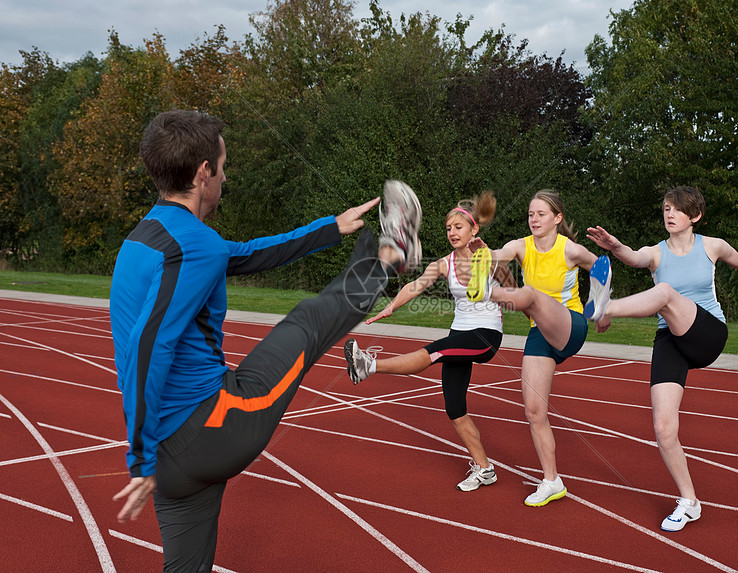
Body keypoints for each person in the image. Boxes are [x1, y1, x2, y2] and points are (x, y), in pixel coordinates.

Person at [109, 109, 422, 572]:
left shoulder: (144, 238)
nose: (225, 176)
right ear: (202, 174)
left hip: (172, 464)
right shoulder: (192, 247)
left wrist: (328, 229)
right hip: (212, 429)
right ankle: (390, 257)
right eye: (223, 165)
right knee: (307, 323)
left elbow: (245, 255)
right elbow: (147, 346)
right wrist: (138, 458)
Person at [584, 185, 738, 532]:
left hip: (708, 333)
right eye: (665, 209)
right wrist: (615, 247)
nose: (669, 214)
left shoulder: (711, 246)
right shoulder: (656, 253)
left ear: (695, 216)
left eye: (676, 209)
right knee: (663, 428)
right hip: (671, 338)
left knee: (664, 293)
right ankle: (689, 501)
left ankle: (605, 307)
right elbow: (633, 256)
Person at [344, 191, 515, 492]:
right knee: (454, 408)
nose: (451, 233)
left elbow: (513, 290)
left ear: (474, 229)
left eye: (458, 227)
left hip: (485, 336)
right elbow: (415, 285)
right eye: (448, 228)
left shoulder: (489, 256)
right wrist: (391, 307)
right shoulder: (444, 264)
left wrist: (492, 259)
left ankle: (369, 365)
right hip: (459, 334)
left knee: (435, 351)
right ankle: (485, 468)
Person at [466, 189, 598, 507]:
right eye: (530, 214)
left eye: (540, 213)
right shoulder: (521, 246)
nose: (534, 219)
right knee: (534, 412)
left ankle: (489, 293)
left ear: (557, 218)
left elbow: (601, 267)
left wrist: (599, 306)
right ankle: (552, 481)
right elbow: (501, 253)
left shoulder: (571, 250)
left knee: (531, 294)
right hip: (540, 333)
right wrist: (486, 255)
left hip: (571, 325)